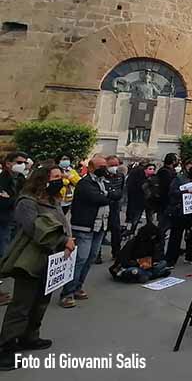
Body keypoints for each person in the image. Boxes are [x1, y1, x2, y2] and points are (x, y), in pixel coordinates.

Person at [0, 163, 74, 370]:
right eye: (56, 176)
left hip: (51, 260)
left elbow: (61, 223)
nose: (61, 180)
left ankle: (29, 336)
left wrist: (68, 239)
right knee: (21, 306)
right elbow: (35, 228)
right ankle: (5, 347)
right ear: (43, 179)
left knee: (41, 301)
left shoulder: (52, 199)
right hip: (30, 260)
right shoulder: (27, 201)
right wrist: (63, 240)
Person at [60, 155, 117, 308]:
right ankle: (67, 292)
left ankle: (78, 287)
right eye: (100, 167)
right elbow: (99, 199)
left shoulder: (104, 181)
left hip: (100, 226)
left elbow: (115, 194)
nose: (104, 170)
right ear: (91, 167)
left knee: (91, 258)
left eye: (105, 166)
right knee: (80, 260)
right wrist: (107, 195)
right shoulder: (84, 183)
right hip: (84, 227)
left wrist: (108, 194)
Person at [0, 152, 28, 306]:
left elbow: (27, 197)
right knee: (2, 253)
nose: (22, 165)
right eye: (19, 162)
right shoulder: (1, 179)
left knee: (11, 252)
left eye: (24, 162)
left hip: (16, 220)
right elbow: (2, 204)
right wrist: (16, 200)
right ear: (8, 163)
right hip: (3, 221)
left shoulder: (21, 179)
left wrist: (11, 199)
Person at [164, 159, 192, 267]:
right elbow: (172, 192)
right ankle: (170, 260)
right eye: (190, 165)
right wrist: (185, 192)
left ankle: (190, 256)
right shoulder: (179, 178)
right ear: (185, 166)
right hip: (179, 211)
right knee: (176, 236)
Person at [103, 155, 125, 260]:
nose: (114, 167)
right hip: (103, 206)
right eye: (111, 165)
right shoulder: (102, 176)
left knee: (116, 231)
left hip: (115, 206)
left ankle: (116, 253)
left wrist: (113, 194)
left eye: (116, 165)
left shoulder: (120, 176)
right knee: (101, 230)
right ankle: (97, 254)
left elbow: (120, 191)